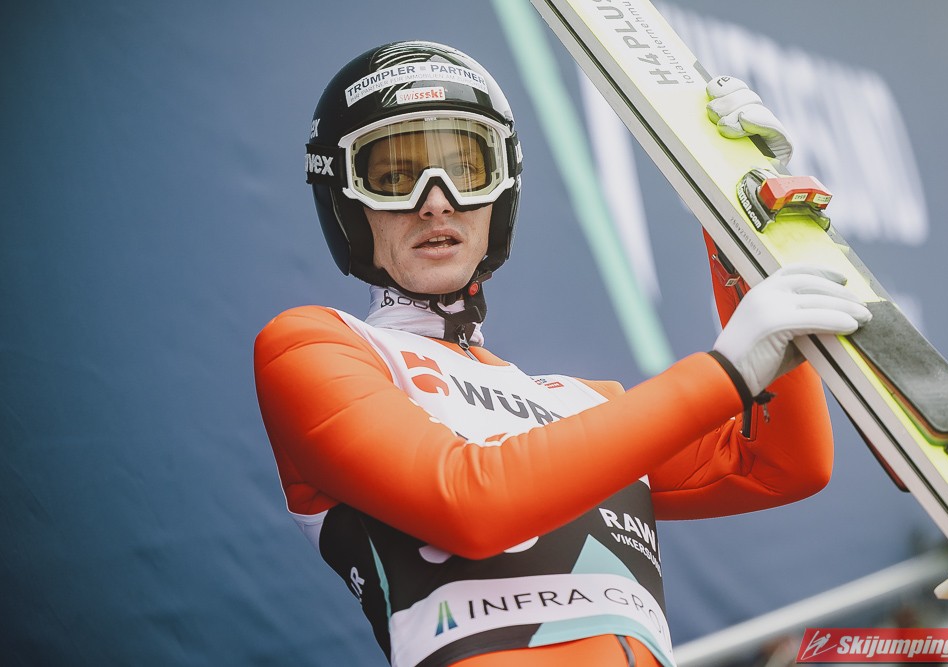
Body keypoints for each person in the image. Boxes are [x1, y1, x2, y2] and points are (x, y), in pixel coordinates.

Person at [254, 41, 871, 667]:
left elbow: (782, 466)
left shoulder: (586, 404)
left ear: (502, 191)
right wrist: (726, 372)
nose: (435, 199)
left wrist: (743, 233)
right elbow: (470, 504)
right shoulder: (312, 346)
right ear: (346, 200)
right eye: (393, 178)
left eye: (465, 170)